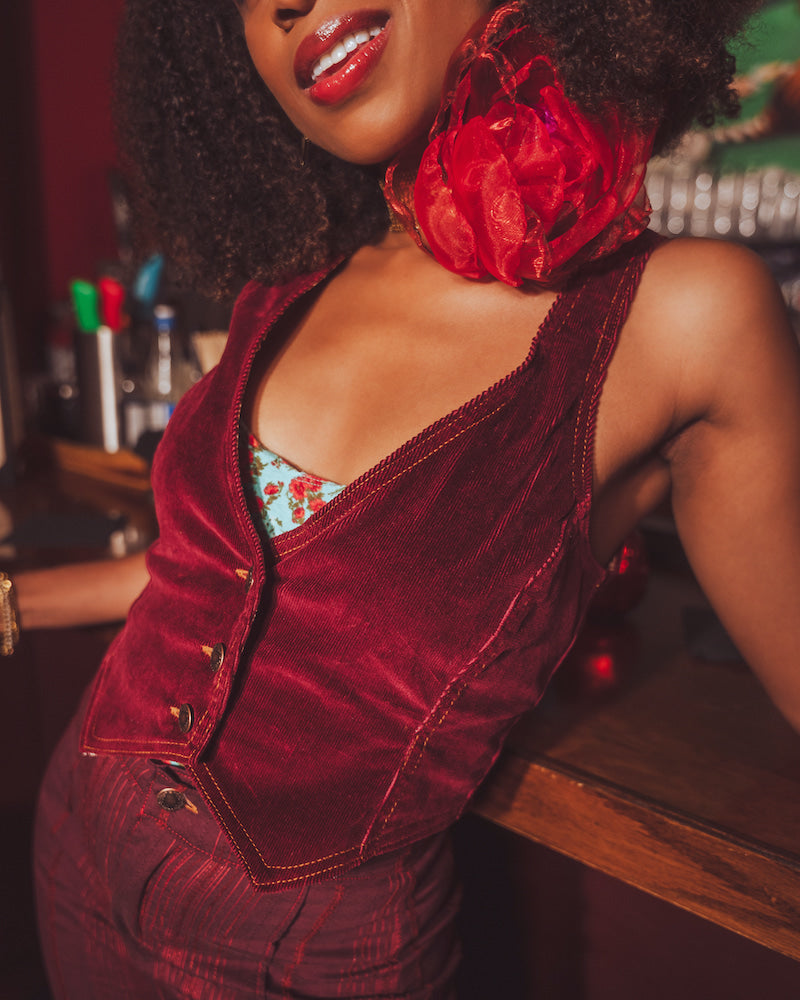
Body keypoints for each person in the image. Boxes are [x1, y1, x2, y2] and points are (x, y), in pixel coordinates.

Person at [3, 0, 799, 996]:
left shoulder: (683, 315)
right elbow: (203, 580)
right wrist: (9, 601)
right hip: (76, 832)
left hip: (296, 950)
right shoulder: (288, 284)